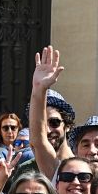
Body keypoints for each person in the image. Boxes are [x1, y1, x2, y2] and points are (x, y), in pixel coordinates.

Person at [26, 46, 75, 178]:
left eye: (54, 122)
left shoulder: (84, 166)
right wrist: (38, 89)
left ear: (68, 125)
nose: (47, 130)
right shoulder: (24, 168)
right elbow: (38, 139)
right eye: (42, 124)